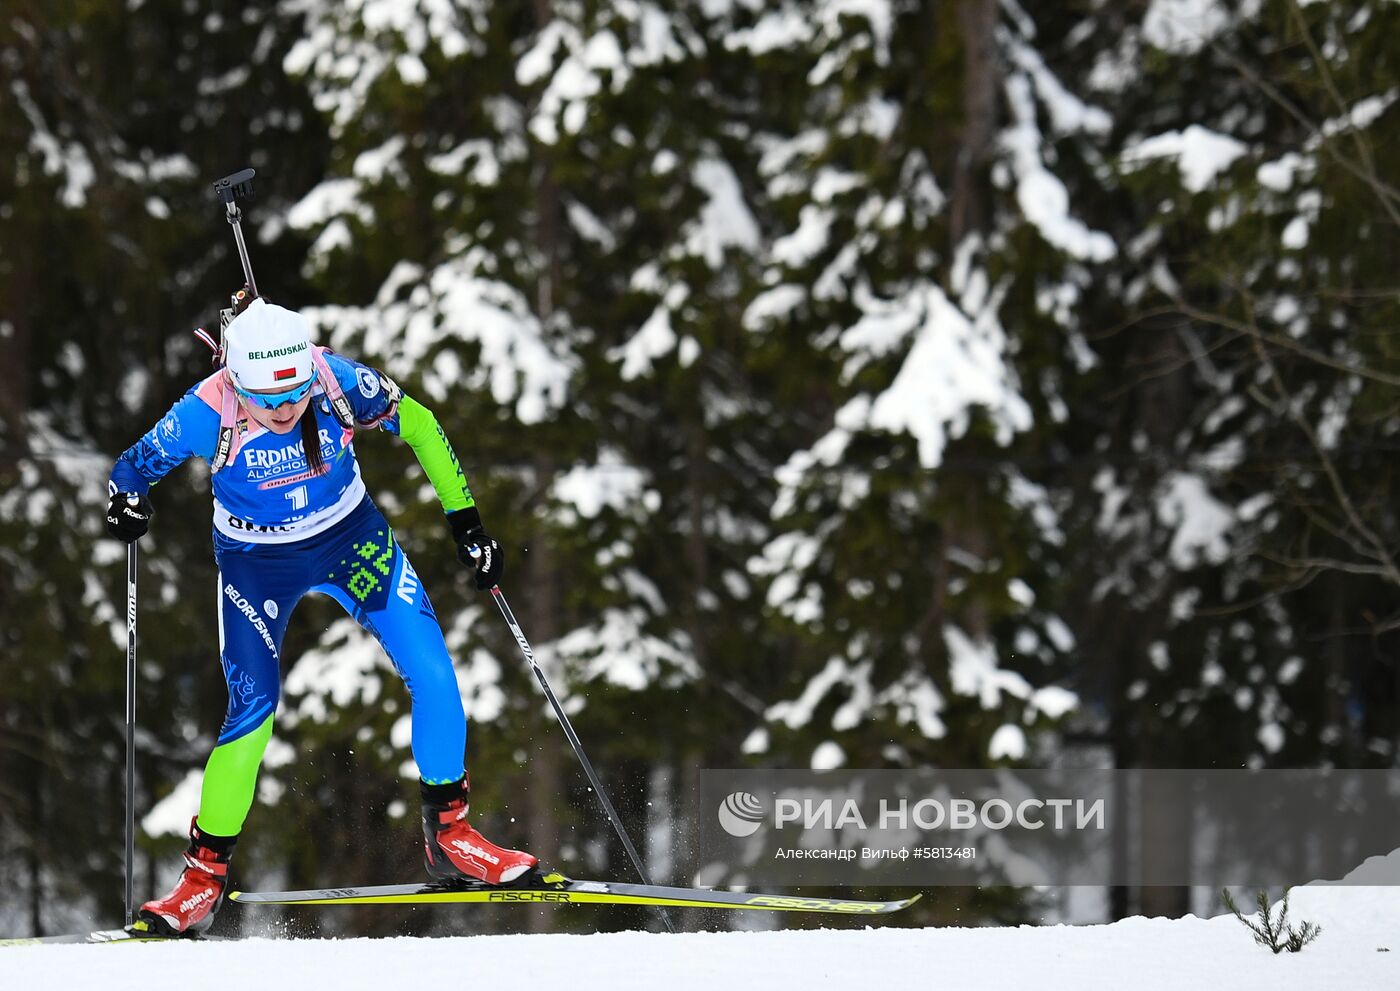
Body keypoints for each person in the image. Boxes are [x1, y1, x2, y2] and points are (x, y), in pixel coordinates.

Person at [105, 295, 536, 936]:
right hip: (257, 562)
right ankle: (202, 879)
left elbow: (420, 425)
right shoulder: (205, 411)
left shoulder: (339, 381)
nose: (283, 413)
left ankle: (451, 834)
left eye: (295, 397)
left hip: (352, 540)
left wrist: (466, 521)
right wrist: (127, 503)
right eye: (266, 401)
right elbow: (133, 467)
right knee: (252, 709)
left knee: (435, 671)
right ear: (235, 382)